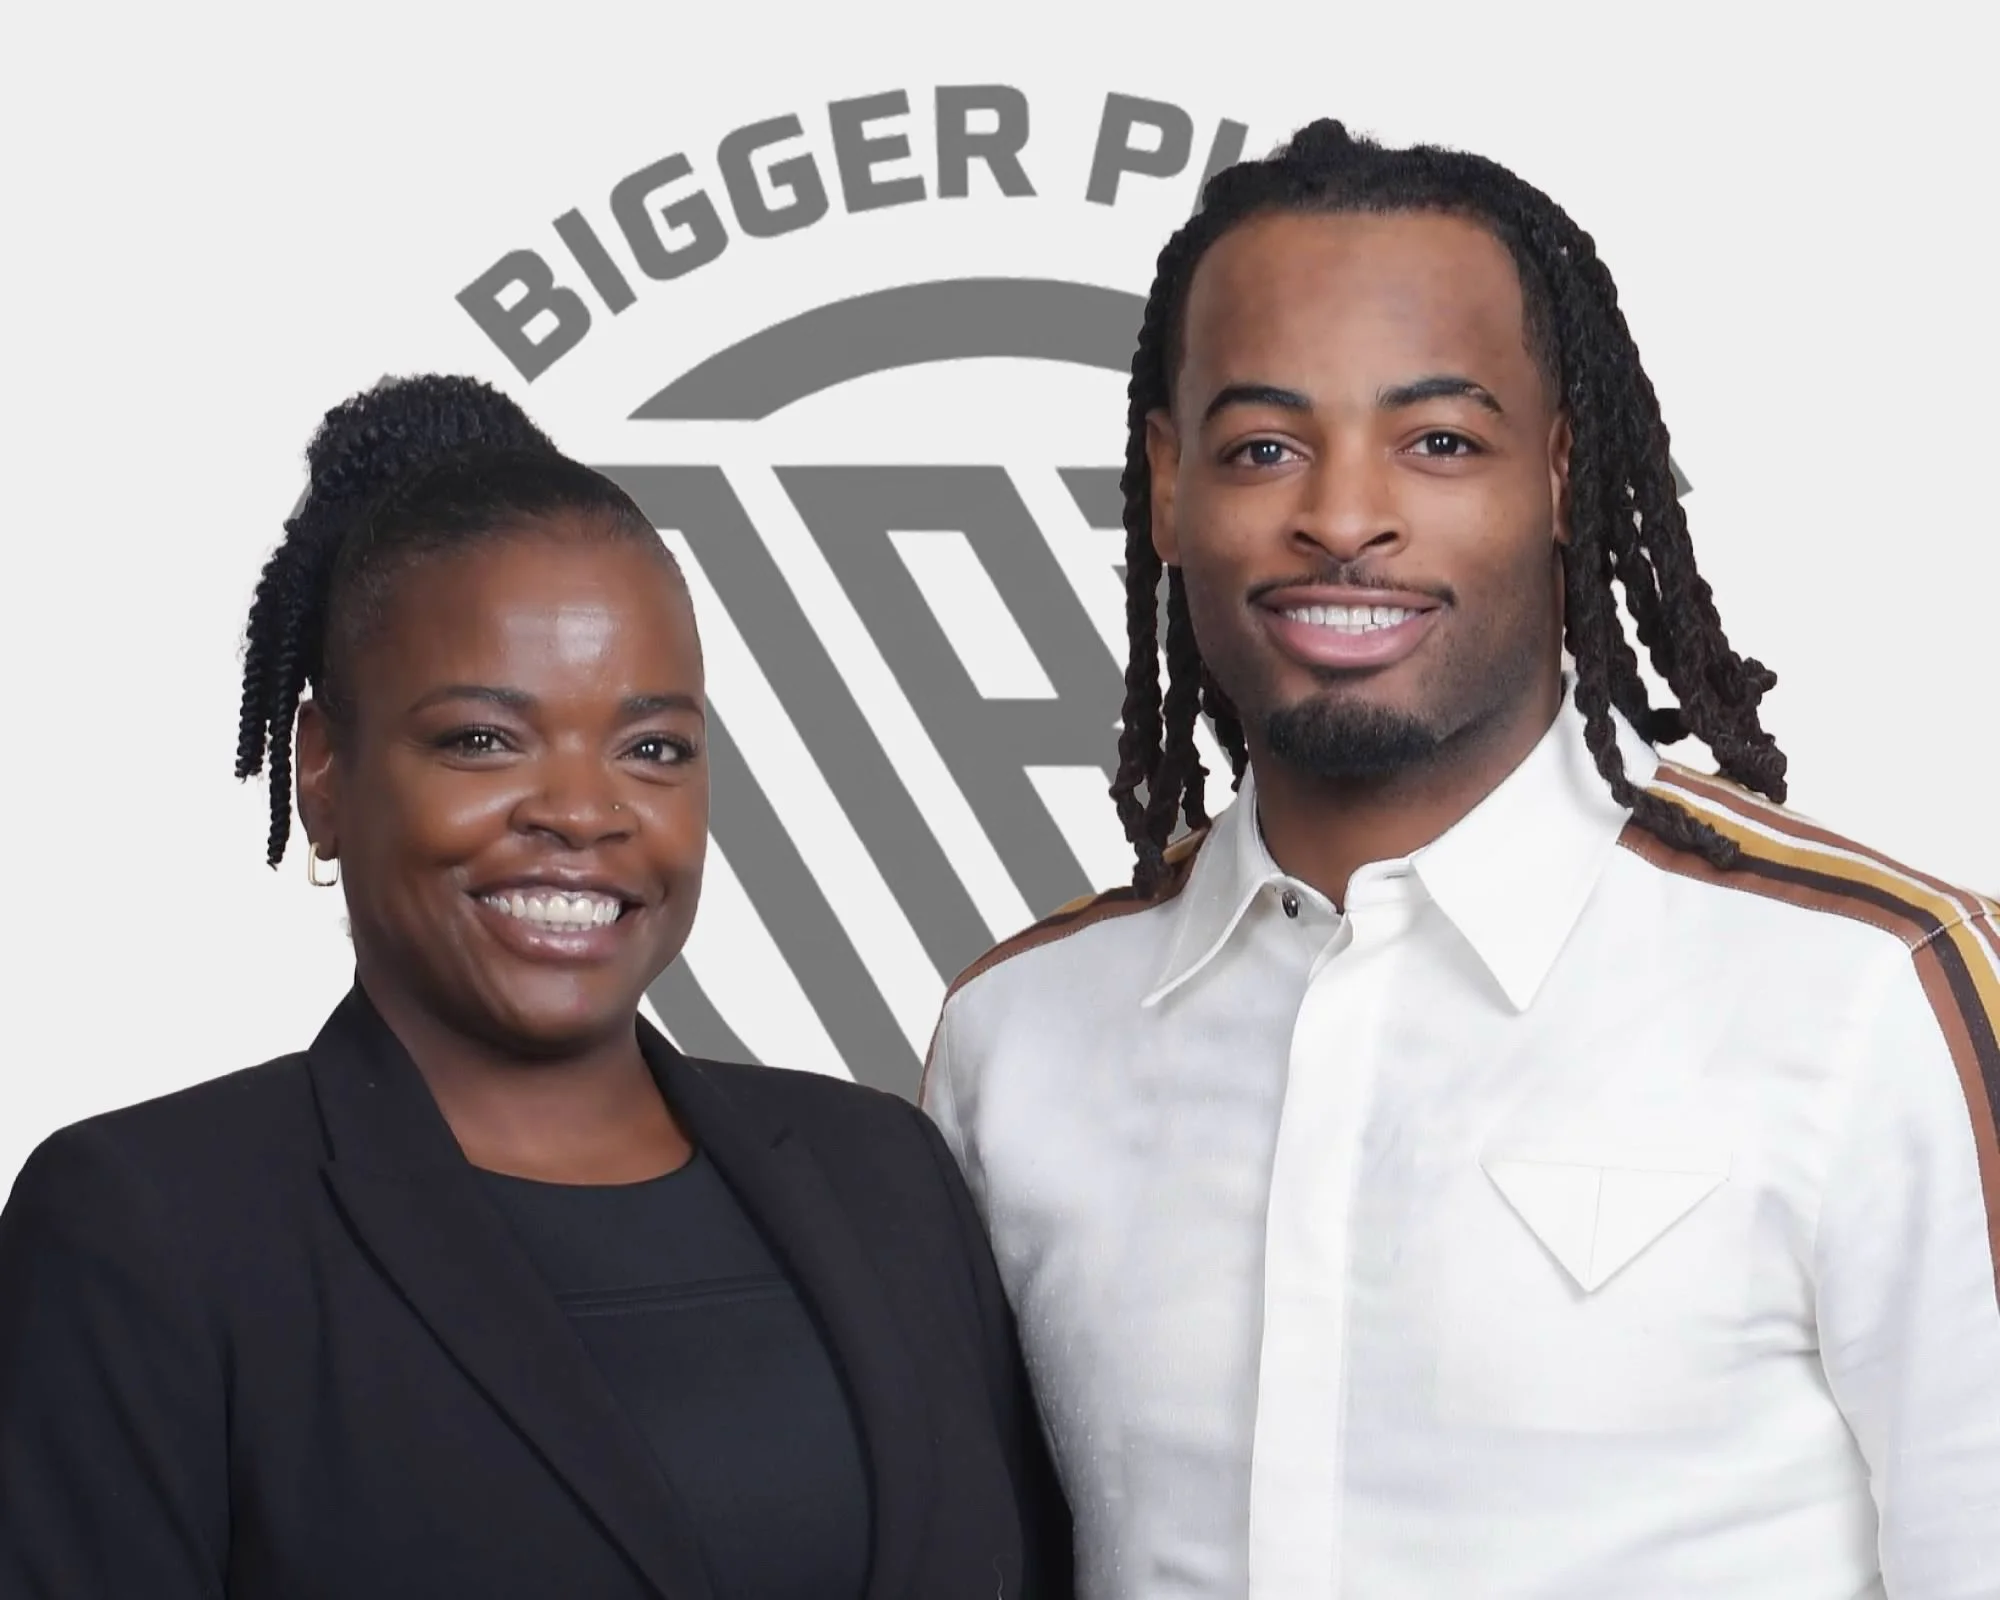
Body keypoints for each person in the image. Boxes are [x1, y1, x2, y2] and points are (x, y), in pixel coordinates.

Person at [921, 120, 2000, 1598]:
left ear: (1561, 474)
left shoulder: (1876, 992)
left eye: (1439, 441)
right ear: (1166, 486)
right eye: (1263, 446)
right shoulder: (1014, 1037)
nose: (1345, 517)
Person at [0, 375, 1072, 1600]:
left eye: (651, 747)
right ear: (324, 772)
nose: (581, 809)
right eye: (481, 739)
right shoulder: (151, 1228)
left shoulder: (889, 1177)